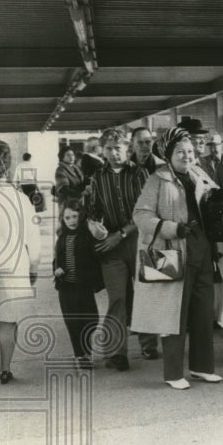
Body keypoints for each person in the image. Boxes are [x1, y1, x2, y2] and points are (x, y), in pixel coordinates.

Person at [132, 127, 223, 390]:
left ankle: (202, 368)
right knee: (173, 315)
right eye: (180, 152)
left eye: (190, 151)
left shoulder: (200, 174)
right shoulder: (157, 180)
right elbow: (141, 216)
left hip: (203, 253)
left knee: (203, 313)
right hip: (170, 253)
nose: (187, 156)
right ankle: (173, 373)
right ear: (169, 155)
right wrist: (173, 228)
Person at [83, 127, 159, 369]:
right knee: (117, 298)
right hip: (111, 247)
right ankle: (117, 353)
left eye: (118, 148)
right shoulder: (97, 178)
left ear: (127, 149)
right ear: (102, 151)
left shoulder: (141, 174)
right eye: (108, 149)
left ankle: (149, 344)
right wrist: (93, 225)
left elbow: (147, 211)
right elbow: (93, 210)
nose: (113, 153)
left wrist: (122, 233)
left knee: (145, 293)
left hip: (140, 240)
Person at [0, 139, 40, 385]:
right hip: (14, 265)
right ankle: (5, 369)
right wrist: (33, 268)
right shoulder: (21, 199)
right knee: (8, 320)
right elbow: (33, 240)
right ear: (7, 165)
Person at [53, 200, 104, 368]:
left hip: (83, 286)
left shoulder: (87, 234)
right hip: (66, 287)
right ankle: (81, 355)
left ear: (81, 216)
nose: (71, 220)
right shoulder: (61, 236)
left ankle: (85, 350)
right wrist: (57, 269)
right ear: (63, 219)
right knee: (73, 322)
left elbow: (98, 249)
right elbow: (57, 259)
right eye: (67, 217)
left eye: (75, 216)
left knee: (91, 319)